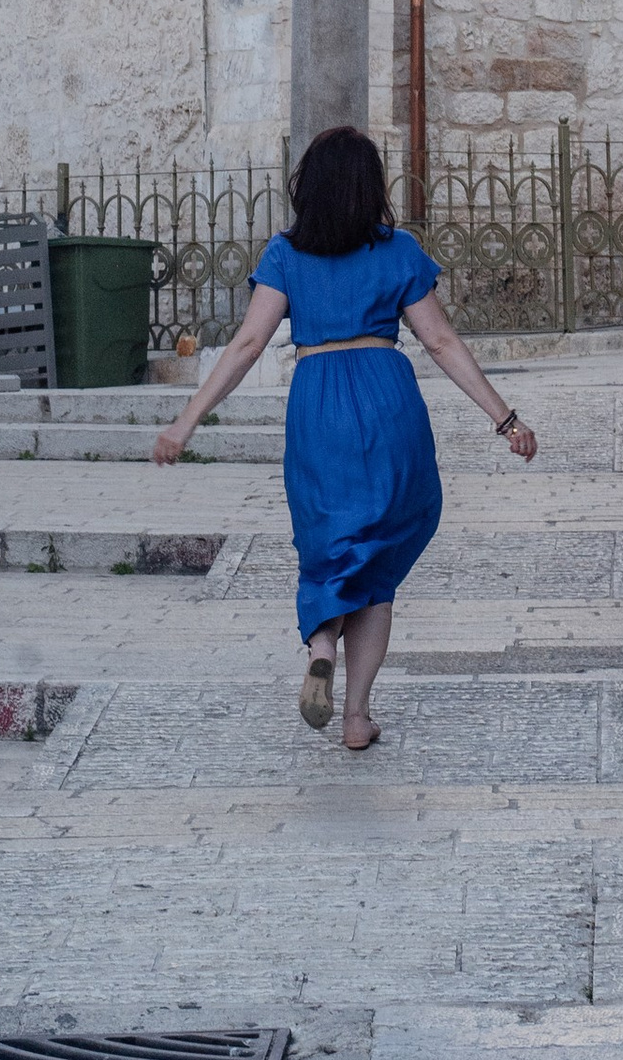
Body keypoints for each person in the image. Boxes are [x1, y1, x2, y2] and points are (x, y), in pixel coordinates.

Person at [150, 123, 537, 749]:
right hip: (388, 399)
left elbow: (248, 344)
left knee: (327, 545)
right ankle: (356, 718)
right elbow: (439, 341)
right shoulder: (398, 251)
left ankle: (321, 643)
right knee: (377, 565)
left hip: (318, 403)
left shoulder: (284, 254)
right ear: (371, 187)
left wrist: (185, 421)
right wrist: (506, 418)